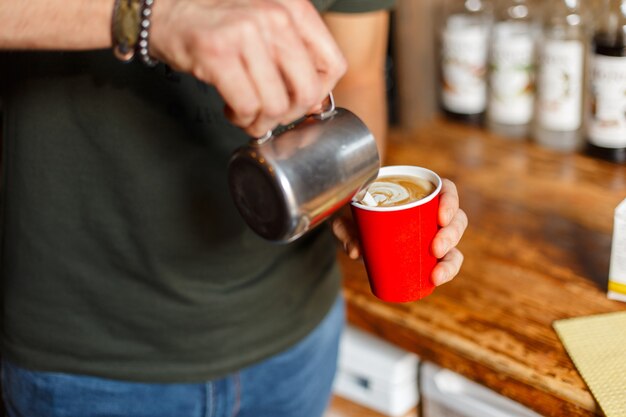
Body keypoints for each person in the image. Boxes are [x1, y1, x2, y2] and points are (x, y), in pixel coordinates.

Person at [0, 1, 468, 416]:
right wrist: (150, 17)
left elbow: (358, 73)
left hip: (295, 337)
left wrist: (353, 190)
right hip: (90, 353)